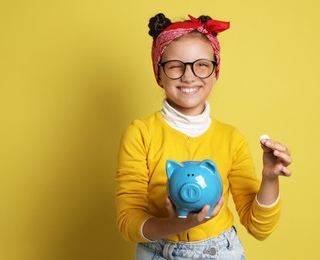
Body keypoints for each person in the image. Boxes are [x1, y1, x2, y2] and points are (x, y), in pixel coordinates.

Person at [115, 13, 292, 259]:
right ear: (159, 74)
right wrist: (176, 225)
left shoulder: (231, 139)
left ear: (215, 73)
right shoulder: (141, 134)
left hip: (219, 251)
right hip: (157, 251)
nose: (189, 76)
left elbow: (259, 227)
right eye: (175, 65)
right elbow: (128, 221)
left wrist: (270, 178)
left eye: (202, 65)